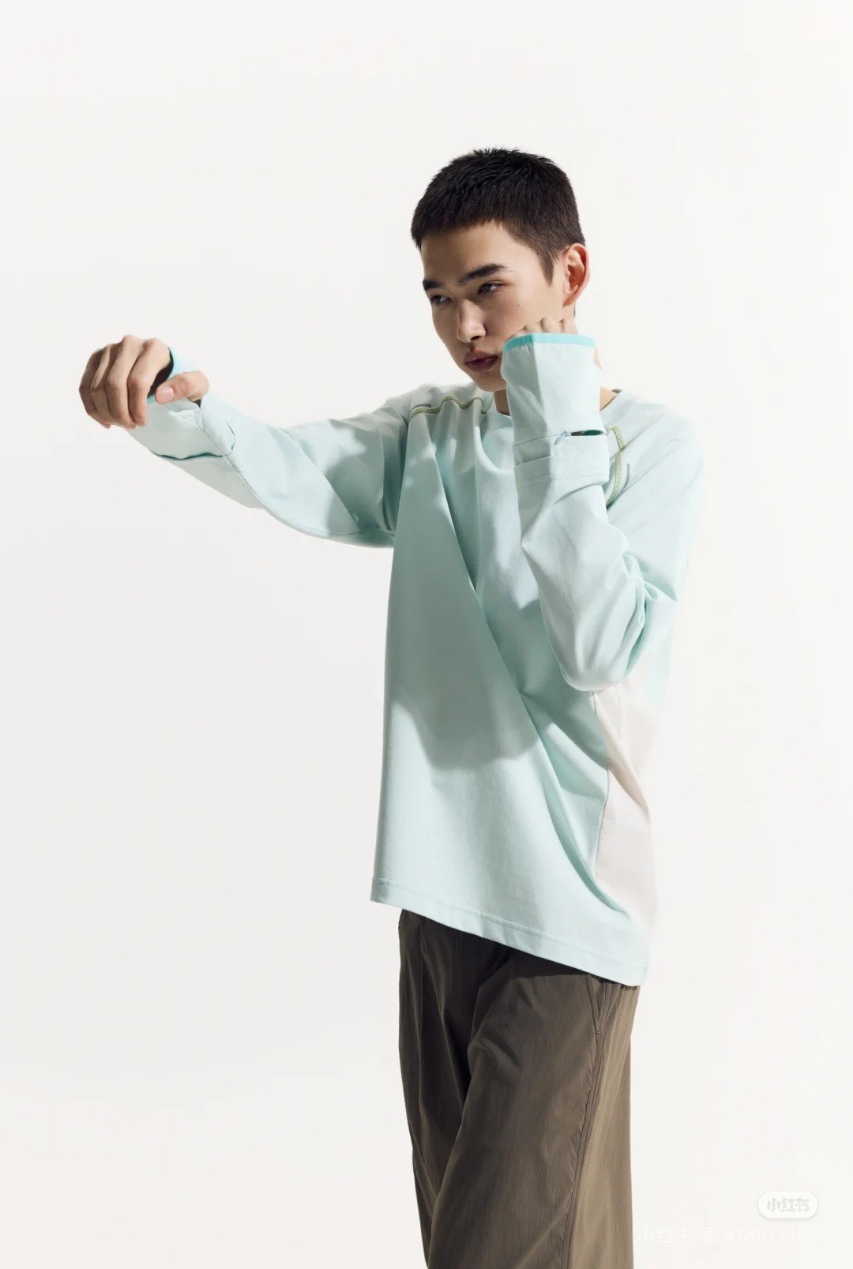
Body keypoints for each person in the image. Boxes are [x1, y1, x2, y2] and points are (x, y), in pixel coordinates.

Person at [78, 145, 705, 1268]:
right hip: (440, 900)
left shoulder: (647, 446)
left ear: (569, 273)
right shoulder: (429, 436)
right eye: (438, 297)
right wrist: (167, 397)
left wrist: (552, 412)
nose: (463, 325)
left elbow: (600, 646)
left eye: (488, 287)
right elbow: (286, 466)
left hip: (571, 914)